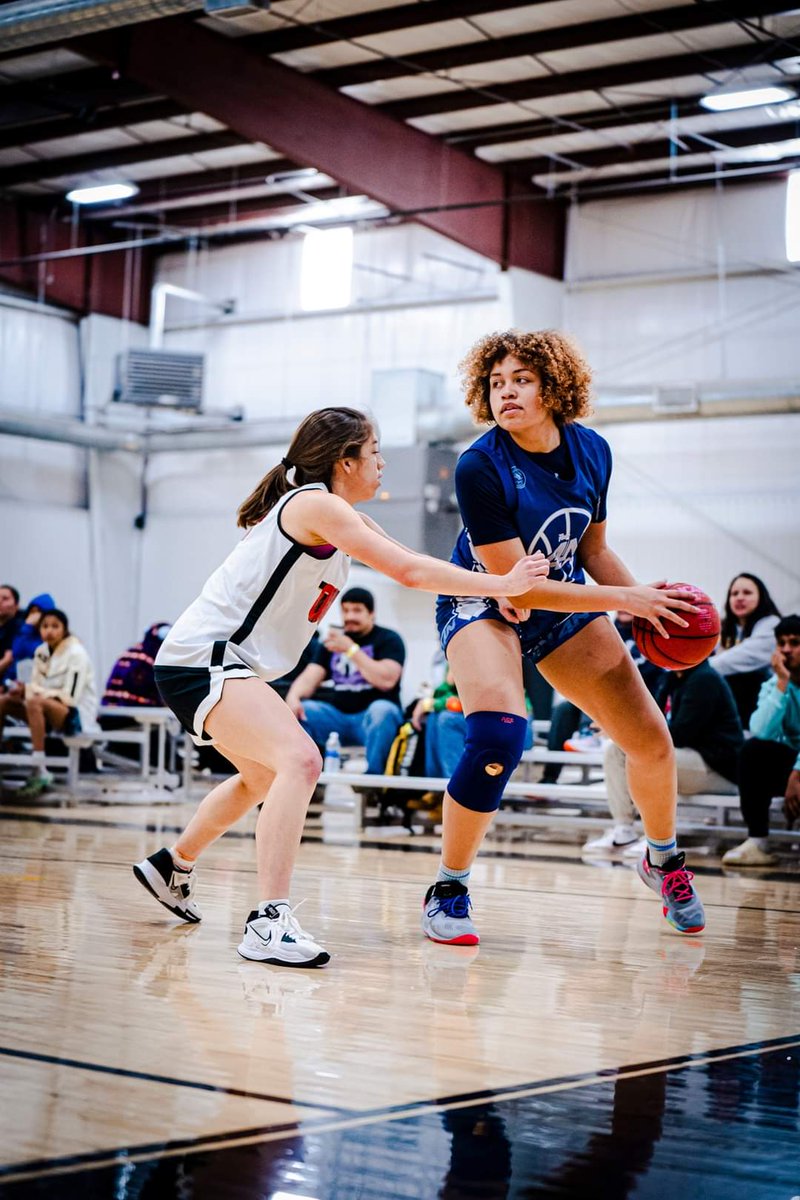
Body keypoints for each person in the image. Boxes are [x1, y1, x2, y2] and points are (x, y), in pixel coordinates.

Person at [134, 407, 548, 969]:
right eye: (374, 451)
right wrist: (501, 581)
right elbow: (410, 576)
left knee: (261, 776)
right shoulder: (315, 505)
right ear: (344, 461)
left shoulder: (336, 513)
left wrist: (491, 588)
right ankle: (268, 921)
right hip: (205, 659)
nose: (382, 462)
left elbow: (413, 561)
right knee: (301, 762)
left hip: (215, 663)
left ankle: (173, 864)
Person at [423, 329, 705, 946]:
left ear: (553, 387)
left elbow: (594, 549)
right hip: (486, 597)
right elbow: (517, 587)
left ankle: (662, 859)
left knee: (651, 741)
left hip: (567, 599)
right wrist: (623, 601)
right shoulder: (479, 466)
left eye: (520, 380)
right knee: (499, 732)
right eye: (496, 384)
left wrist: (647, 608)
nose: (506, 393)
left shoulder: (593, 451)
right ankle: (449, 886)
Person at [584, 656, 744, 856]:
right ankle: (623, 829)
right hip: (691, 760)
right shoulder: (671, 678)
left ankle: (656, 840)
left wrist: (624, 729)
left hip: (718, 769)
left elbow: (680, 734)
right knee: (616, 750)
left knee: (655, 759)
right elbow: (648, 719)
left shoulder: (705, 679)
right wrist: (619, 727)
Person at [285, 587, 405, 776]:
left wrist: (351, 650)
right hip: (338, 718)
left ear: (371, 613)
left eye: (357, 610)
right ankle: (306, 777)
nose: (350, 616)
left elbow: (386, 680)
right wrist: (293, 698)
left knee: (382, 710)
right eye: (345, 610)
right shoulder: (333, 643)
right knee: (304, 710)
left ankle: (376, 783)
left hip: (371, 721)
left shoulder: (388, 639)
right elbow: (310, 677)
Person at [722, 614, 800, 867]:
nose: (786, 650)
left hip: (797, 772)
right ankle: (758, 842)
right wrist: (782, 684)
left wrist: (797, 772)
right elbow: (761, 730)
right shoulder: (774, 684)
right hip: (792, 769)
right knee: (753, 751)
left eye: (795, 642)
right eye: (782, 643)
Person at [0, 608, 98, 799]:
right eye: (45, 626)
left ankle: (39, 766)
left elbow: (70, 697)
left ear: (65, 629)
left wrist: (32, 691)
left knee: (34, 702)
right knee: (4, 701)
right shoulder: (41, 651)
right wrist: (22, 690)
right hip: (42, 707)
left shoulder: (77, 653)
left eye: (55, 626)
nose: (49, 631)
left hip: (75, 715)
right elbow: (34, 686)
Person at [709, 573, 781, 727]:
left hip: (758, 710)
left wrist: (697, 668)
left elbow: (740, 658)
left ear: (762, 597)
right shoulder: (725, 629)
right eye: (734, 593)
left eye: (747, 593)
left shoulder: (773, 625)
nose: (739, 597)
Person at [0, 584, 22, 688]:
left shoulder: (19, 627)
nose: (0, 602)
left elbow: (8, 659)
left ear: (16, 605)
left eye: (5, 599)